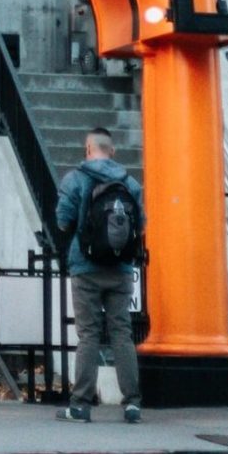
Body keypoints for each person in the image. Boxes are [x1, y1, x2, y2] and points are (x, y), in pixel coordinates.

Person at [55, 126, 145, 424]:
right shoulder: (130, 184)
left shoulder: (76, 179)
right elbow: (141, 225)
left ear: (87, 148)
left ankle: (80, 405)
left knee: (88, 335)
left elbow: (63, 221)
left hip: (85, 268)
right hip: (121, 270)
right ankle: (132, 404)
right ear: (113, 151)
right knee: (122, 334)